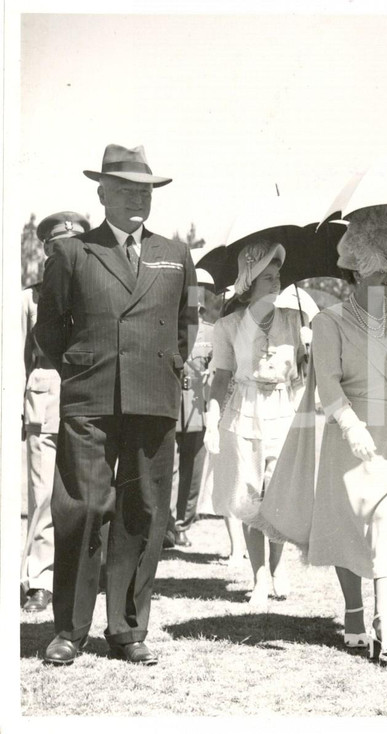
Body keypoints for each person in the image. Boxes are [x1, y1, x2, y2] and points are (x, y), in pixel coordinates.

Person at [35, 144, 196, 665]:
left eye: (145, 190)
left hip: (153, 397)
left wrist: (163, 366)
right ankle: (70, 630)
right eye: (125, 189)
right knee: (82, 508)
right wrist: (84, 365)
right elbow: (50, 331)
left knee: (144, 512)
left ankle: (128, 629)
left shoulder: (175, 253)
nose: (136, 199)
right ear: (101, 193)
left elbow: (185, 328)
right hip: (91, 394)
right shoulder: (72, 253)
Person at [259, 204, 387, 660]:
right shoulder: (328, 321)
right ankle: (354, 610)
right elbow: (327, 384)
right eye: (378, 277)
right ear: (356, 276)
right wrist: (350, 425)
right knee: (350, 527)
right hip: (348, 434)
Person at [204, 241, 309, 607]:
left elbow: (303, 375)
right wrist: (212, 418)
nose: (276, 282)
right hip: (244, 410)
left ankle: (278, 570)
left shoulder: (294, 320)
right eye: (268, 277)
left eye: (278, 276)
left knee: (278, 496)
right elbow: (221, 377)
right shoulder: (228, 325)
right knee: (250, 497)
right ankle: (259, 576)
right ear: (249, 281)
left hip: (285, 409)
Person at [21, 212, 91, 613]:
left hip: (86, 399)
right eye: (56, 248)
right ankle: (39, 579)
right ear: (47, 251)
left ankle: (78, 576)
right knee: (44, 493)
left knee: (86, 495)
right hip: (45, 398)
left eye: (75, 247)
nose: (64, 254)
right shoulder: (26, 299)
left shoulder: (93, 296)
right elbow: (14, 362)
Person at [165, 274, 216, 549]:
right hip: (171, 404)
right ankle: (165, 525)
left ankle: (183, 524)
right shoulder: (168, 330)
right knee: (167, 468)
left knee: (193, 470)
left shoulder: (212, 333)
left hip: (198, 405)